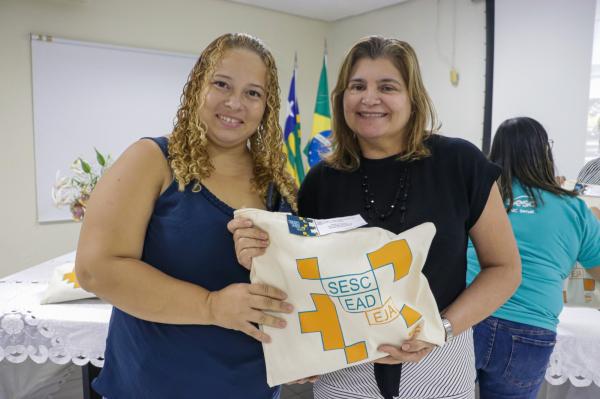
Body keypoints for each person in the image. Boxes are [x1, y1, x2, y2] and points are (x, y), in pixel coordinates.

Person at [229, 36, 521, 399]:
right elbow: (304, 277)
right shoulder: (320, 181)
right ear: (342, 98)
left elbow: (505, 268)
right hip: (344, 368)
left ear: (412, 98)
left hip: (438, 360)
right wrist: (257, 252)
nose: (370, 98)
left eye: (387, 87)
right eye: (357, 86)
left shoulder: (459, 164)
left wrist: (441, 329)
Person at [74, 33, 297, 399]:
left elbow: (292, 284)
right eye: (221, 84)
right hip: (154, 386)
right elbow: (96, 269)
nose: (234, 102)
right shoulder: (151, 160)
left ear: (267, 107)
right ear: (197, 87)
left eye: (253, 93)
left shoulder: (277, 182)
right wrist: (211, 307)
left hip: (253, 388)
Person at [467, 117, 600, 399]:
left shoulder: (478, 197)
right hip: (531, 330)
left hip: (468, 316)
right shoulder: (573, 207)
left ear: (496, 152)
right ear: (545, 152)